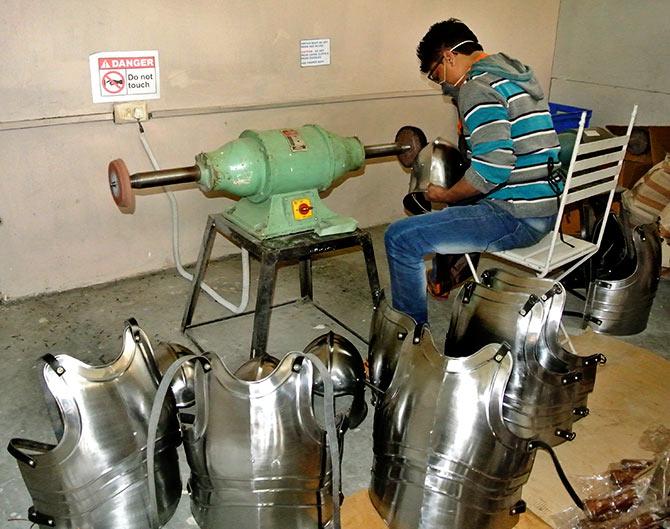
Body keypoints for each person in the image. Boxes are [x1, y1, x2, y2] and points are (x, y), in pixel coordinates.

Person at [384, 18, 562, 326]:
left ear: (449, 56)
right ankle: (449, 276)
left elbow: (493, 170)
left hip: (516, 216)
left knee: (400, 237)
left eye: (437, 75)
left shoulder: (477, 89)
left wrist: (444, 194)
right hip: (544, 210)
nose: (444, 86)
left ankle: (410, 339)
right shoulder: (513, 77)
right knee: (456, 210)